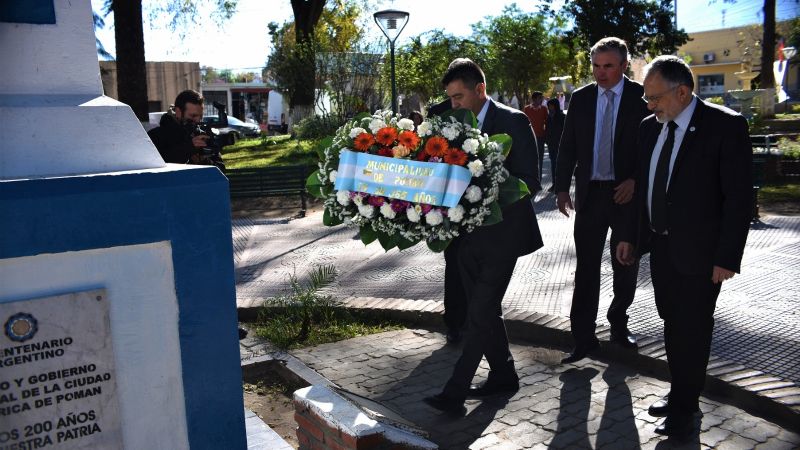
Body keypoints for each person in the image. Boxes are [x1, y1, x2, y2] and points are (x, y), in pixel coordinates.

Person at [616, 55, 752, 438]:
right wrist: (629, 235)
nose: (650, 105)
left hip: (702, 254)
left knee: (692, 330)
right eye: (647, 98)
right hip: (660, 250)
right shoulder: (649, 128)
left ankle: (686, 409)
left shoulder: (724, 126)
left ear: (682, 91)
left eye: (655, 98)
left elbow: (738, 199)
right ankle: (681, 392)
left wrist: (727, 257)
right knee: (673, 327)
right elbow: (640, 186)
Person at [423, 58, 543, 413]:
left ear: (481, 90)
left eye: (459, 97)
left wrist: (486, 190)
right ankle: (504, 375)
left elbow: (530, 183)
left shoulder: (514, 121)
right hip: (466, 237)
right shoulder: (449, 123)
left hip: (505, 234)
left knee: (479, 311)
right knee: (485, 310)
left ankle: (455, 391)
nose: (454, 105)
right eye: (450, 98)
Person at [555, 37, 650, 364]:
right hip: (591, 193)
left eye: (608, 66)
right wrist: (561, 187)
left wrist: (635, 181)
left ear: (624, 66)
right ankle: (583, 338)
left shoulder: (642, 97)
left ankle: (619, 323)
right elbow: (567, 144)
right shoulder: (581, 98)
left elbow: (653, 146)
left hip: (626, 195)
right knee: (586, 268)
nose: (601, 73)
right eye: (596, 66)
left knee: (626, 263)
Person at [148, 90, 209, 164]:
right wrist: (189, 148)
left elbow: (220, 168)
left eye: (201, 116)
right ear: (178, 112)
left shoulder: (201, 134)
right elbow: (158, 163)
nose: (198, 120)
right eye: (193, 116)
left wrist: (204, 161)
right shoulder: (156, 136)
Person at [524, 91, 548, 181]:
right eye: (539, 98)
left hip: (540, 138)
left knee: (540, 160)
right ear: (534, 99)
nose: (541, 100)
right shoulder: (526, 109)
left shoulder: (544, 109)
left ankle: (539, 181)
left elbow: (547, 123)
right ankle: (531, 179)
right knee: (530, 160)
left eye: (542, 98)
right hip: (530, 139)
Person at [545, 98, 565, 192]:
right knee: (553, 165)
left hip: (560, 145)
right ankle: (554, 184)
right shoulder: (548, 117)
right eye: (549, 106)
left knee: (560, 165)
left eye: (551, 105)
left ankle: (560, 185)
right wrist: (547, 140)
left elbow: (565, 131)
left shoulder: (562, 117)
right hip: (551, 144)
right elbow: (547, 130)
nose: (550, 107)